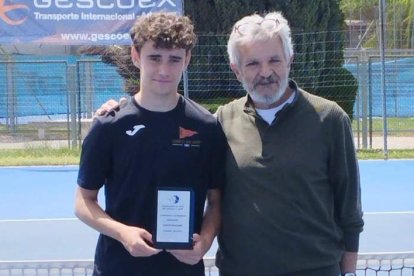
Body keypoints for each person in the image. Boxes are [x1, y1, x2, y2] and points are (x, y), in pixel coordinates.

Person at [97, 11, 364, 276]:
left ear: (289, 60)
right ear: (237, 70)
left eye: (274, 60)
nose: (266, 72)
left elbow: (350, 212)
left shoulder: (330, 118)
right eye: (253, 64)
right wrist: (123, 110)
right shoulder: (222, 120)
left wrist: (349, 273)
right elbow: (164, 125)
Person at [75, 12, 226, 276]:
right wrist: (123, 233)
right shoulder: (109, 126)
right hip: (118, 268)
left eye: (174, 59)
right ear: (136, 56)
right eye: (155, 57)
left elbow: (216, 201)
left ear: (187, 60)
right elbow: (83, 202)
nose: (164, 70)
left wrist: (205, 240)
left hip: (184, 270)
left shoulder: (206, 126)